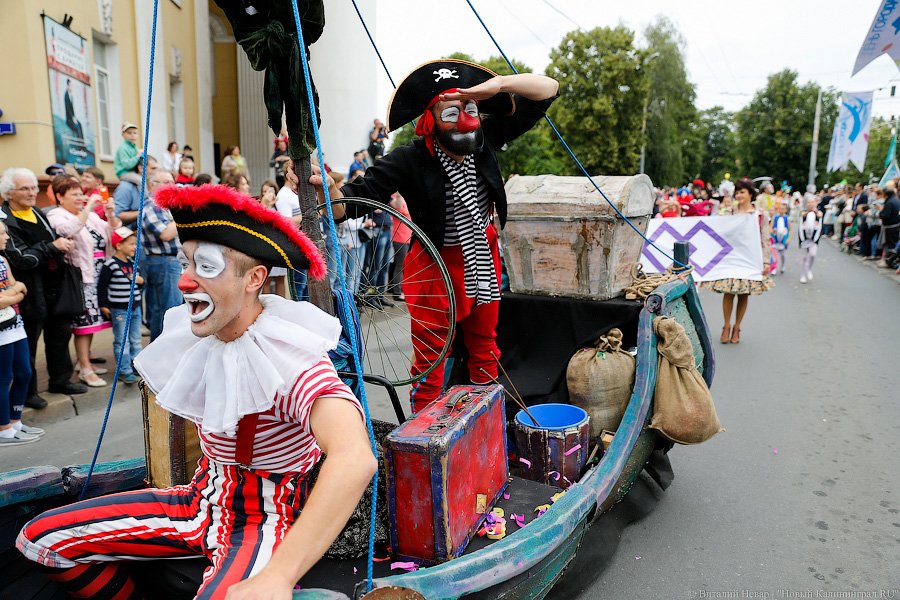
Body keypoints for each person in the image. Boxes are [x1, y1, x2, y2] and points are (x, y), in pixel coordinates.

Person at [17, 184, 376, 599]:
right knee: (40, 542)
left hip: (264, 517)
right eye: (184, 263)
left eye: (205, 266)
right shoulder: (202, 336)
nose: (185, 282)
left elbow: (355, 457)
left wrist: (277, 576)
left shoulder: (290, 360)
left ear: (254, 279)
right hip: (197, 499)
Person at [309, 60, 559, 411]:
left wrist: (498, 84)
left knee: (486, 350)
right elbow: (347, 207)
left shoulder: (487, 138)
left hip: (482, 259)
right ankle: (424, 441)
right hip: (433, 268)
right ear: (429, 120)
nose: (464, 119)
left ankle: (481, 428)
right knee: (429, 363)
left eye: (470, 109)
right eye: (451, 112)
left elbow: (548, 89)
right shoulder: (408, 159)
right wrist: (330, 189)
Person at [0, 169, 85, 406]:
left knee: (59, 334)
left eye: (34, 187)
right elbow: (21, 259)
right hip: (29, 291)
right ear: (9, 193)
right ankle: (28, 393)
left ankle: (60, 380)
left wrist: (55, 246)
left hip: (54, 286)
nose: (32, 193)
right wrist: (52, 247)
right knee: (28, 343)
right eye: (25, 188)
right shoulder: (5, 219)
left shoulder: (37, 211)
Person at [47, 176, 121, 387]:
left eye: (81, 193)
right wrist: (89, 205)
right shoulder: (56, 215)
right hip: (79, 277)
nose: (80, 198)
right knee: (84, 324)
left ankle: (84, 361)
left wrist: (109, 212)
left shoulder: (87, 216)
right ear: (60, 197)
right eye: (75, 194)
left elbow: (112, 230)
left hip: (97, 273)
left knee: (93, 323)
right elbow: (69, 230)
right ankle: (85, 369)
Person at [701, 180, 772, 344]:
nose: (739, 195)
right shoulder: (729, 213)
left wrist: (766, 262)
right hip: (731, 258)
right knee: (728, 292)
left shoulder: (760, 215)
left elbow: (765, 239)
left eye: (742, 192)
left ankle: (737, 327)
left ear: (750, 194)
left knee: (743, 294)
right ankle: (726, 326)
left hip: (750, 259)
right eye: (737, 192)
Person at [0, 220, 44, 445]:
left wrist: (11, 295)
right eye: (2, 234)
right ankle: (3, 428)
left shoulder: (3, 260)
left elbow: (19, 286)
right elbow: (13, 291)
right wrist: (14, 293)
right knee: (4, 376)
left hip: (15, 323)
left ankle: (15, 420)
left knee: (24, 372)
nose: (6, 237)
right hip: (1, 329)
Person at [97, 227, 144, 385]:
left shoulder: (133, 263)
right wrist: (103, 305)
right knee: (122, 340)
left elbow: (140, 285)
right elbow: (102, 286)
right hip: (119, 309)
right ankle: (124, 370)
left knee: (136, 339)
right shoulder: (110, 265)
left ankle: (137, 366)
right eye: (131, 244)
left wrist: (141, 282)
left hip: (136, 307)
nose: (134, 247)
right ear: (119, 246)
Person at [141, 170, 182, 340]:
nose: (172, 186)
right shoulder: (153, 205)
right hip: (164, 262)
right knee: (169, 312)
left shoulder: (167, 206)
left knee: (163, 312)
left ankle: (157, 357)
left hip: (170, 262)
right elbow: (165, 234)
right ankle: (161, 357)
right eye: (166, 182)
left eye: (172, 181)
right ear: (152, 186)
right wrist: (182, 215)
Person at [114, 154, 157, 229]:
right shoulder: (125, 187)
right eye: (153, 168)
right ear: (141, 168)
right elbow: (118, 215)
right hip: (131, 233)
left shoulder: (152, 184)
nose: (156, 172)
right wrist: (146, 211)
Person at [388, 193, 411, 301]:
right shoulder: (394, 198)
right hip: (399, 237)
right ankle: (397, 291)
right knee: (399, 265)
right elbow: (402, 209)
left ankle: (400, 289)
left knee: (404, 266)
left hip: (408, 236)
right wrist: (400, 194)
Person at [798, 197, 823, 284]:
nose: (811, 204)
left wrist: (816, 212)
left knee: (812, 255)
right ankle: (803, 275)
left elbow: (820, 216)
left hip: (814, 239)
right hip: (804, 238)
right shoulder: (803, 212)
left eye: (812, 202)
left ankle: (809, 269)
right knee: (804, 257)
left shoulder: (818, 213)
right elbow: (802, 215)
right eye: (809, 202)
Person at [114, 122, 144, 187]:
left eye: (135, 133)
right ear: (123, 135)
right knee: (141, 180)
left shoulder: (134, 146)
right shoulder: (123, 147)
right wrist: (138, 156)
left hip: (132, 172)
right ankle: (145, 197)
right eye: (129, 133)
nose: (132, 135)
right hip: (124, 173)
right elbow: (127, 165)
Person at [878, 183, 900, 267]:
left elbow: (885, 215)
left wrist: (880, 212)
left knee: (889, 244)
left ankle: (888, 262)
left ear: (885, 194)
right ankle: (889, 261)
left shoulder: (889, 202)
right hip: (895, 225)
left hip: (890, 226)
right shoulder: (896, 200)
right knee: (892, 244)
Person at [770, 202, 791, 275]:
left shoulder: (787, 218)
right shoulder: (775, 217)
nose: (781, 210)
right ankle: (774, 267)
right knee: (774, 254)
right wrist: (772, 231)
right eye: (780, 208)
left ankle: (782, 265)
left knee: (782, 254)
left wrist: (788, 238)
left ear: (785, 210)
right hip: (775, 239)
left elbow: (790, 229)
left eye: (783, 209)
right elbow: (770, 227)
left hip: (783, 239)